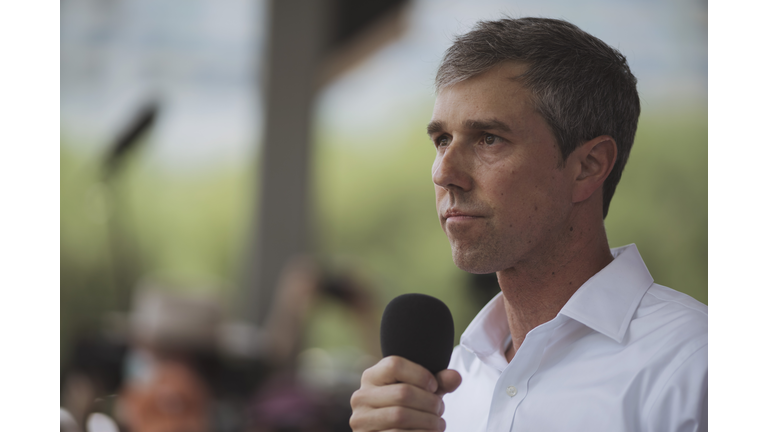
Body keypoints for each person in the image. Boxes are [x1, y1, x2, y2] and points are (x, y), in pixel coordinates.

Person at [349, 17, 707, 432]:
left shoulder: (697, 366)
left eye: (488, 139)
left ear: (588, 167)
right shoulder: (448, 385)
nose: (444, 173)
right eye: (442, 139)